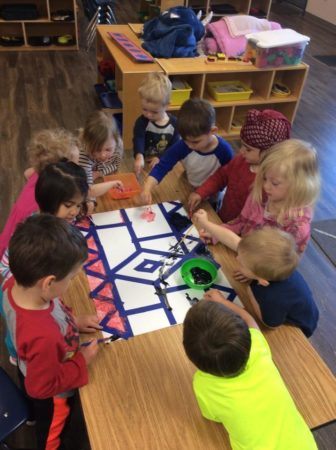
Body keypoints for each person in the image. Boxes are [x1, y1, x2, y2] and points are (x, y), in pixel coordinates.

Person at [1, 214, 101, 450]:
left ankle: (32, 415)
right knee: (50, 436)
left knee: (29, 388)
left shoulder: (15, 284)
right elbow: (41, 387)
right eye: (72, 277)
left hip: (32, 367)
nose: (73, 281)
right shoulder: (43, 336)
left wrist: (73, 321)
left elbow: (49, 313)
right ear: (48, 283)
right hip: (53, 393)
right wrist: (81, 361)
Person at [183, 294, 317, 450]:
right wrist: (223, 302)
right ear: (247, 338)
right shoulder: (257, 346)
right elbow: (250, 321)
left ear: (190, 356)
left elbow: (211, 417)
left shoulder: (203, 385)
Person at [0, 160, 90, 363]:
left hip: (44, 296)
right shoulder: (34, 232)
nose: (75, 211)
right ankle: (16, 354)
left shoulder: (59, 220)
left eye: (78, 204)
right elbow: (6, 268)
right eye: (69, 205)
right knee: (19, 339)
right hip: (23, 296)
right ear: (49, 202)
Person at [193, 212, 319, 336]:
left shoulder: (270, 297)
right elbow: (235, 242)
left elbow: (270, 324)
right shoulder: (268, 263)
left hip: (300, 324)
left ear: (262, 281)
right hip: (293, 302)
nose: (237, 259)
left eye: (242, 264)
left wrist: (244, 293)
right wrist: (206, 223)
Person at [188, 109, 291, 222]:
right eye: (242, 145)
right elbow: (221, 176)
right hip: (223, 219)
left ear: (270, 152)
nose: (241, 151)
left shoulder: (272, 183)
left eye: (248, 149)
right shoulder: (241, 160)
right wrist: (200, 192)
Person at [0, 128, 80, 259]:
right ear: (58, 173)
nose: (78, 169)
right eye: (75, 165)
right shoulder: (42, 208)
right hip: (23, 251)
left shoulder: (41, 172)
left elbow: (27, 173)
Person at [140, 98, 233, 204]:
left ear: (212, 131)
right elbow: (163, 165)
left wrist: (206, 192)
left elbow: (228, 178)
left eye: (195, 142)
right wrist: (147, 186)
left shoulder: (225, 151)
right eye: (185, 140)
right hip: (189, 186)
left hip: (213, 196)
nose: (189, 145)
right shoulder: (185, 145)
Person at [133, 73, 180, 176]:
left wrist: (160, 157)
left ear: (167, 106)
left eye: (154, 112)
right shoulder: (142, 122)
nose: (148, 115)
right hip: (144, 163)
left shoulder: (175, 124)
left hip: (165, 163)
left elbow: (174, 146)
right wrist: (139, 155)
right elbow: (138, 138)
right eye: (144, 109)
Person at [78, 110, 124, 205]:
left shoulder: (118, 145)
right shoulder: (85, 153)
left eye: (108, 150)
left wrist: (100, 173)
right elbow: (88, 190)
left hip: (101, 177)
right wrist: (91, 201)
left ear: (116, 141)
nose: (103, 155)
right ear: (89, 144)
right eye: (97, 150)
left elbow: (115, 164)